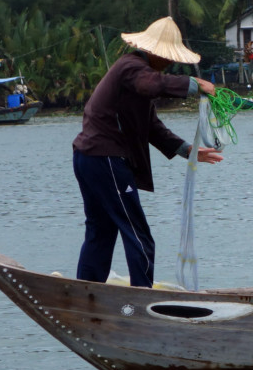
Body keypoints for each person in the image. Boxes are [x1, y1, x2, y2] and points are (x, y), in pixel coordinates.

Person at [72, 16, 222, 288]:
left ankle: (87, 290)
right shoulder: (133, 67)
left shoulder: (136, 76)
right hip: (105, 158)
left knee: (101, 230)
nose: (169, 62)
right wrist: (194, 84)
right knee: (138, 234)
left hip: (88, 158)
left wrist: (188, 150)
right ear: (152, 51)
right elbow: (150, 84)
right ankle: (142, 297)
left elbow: (151, 126)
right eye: (166, 57)